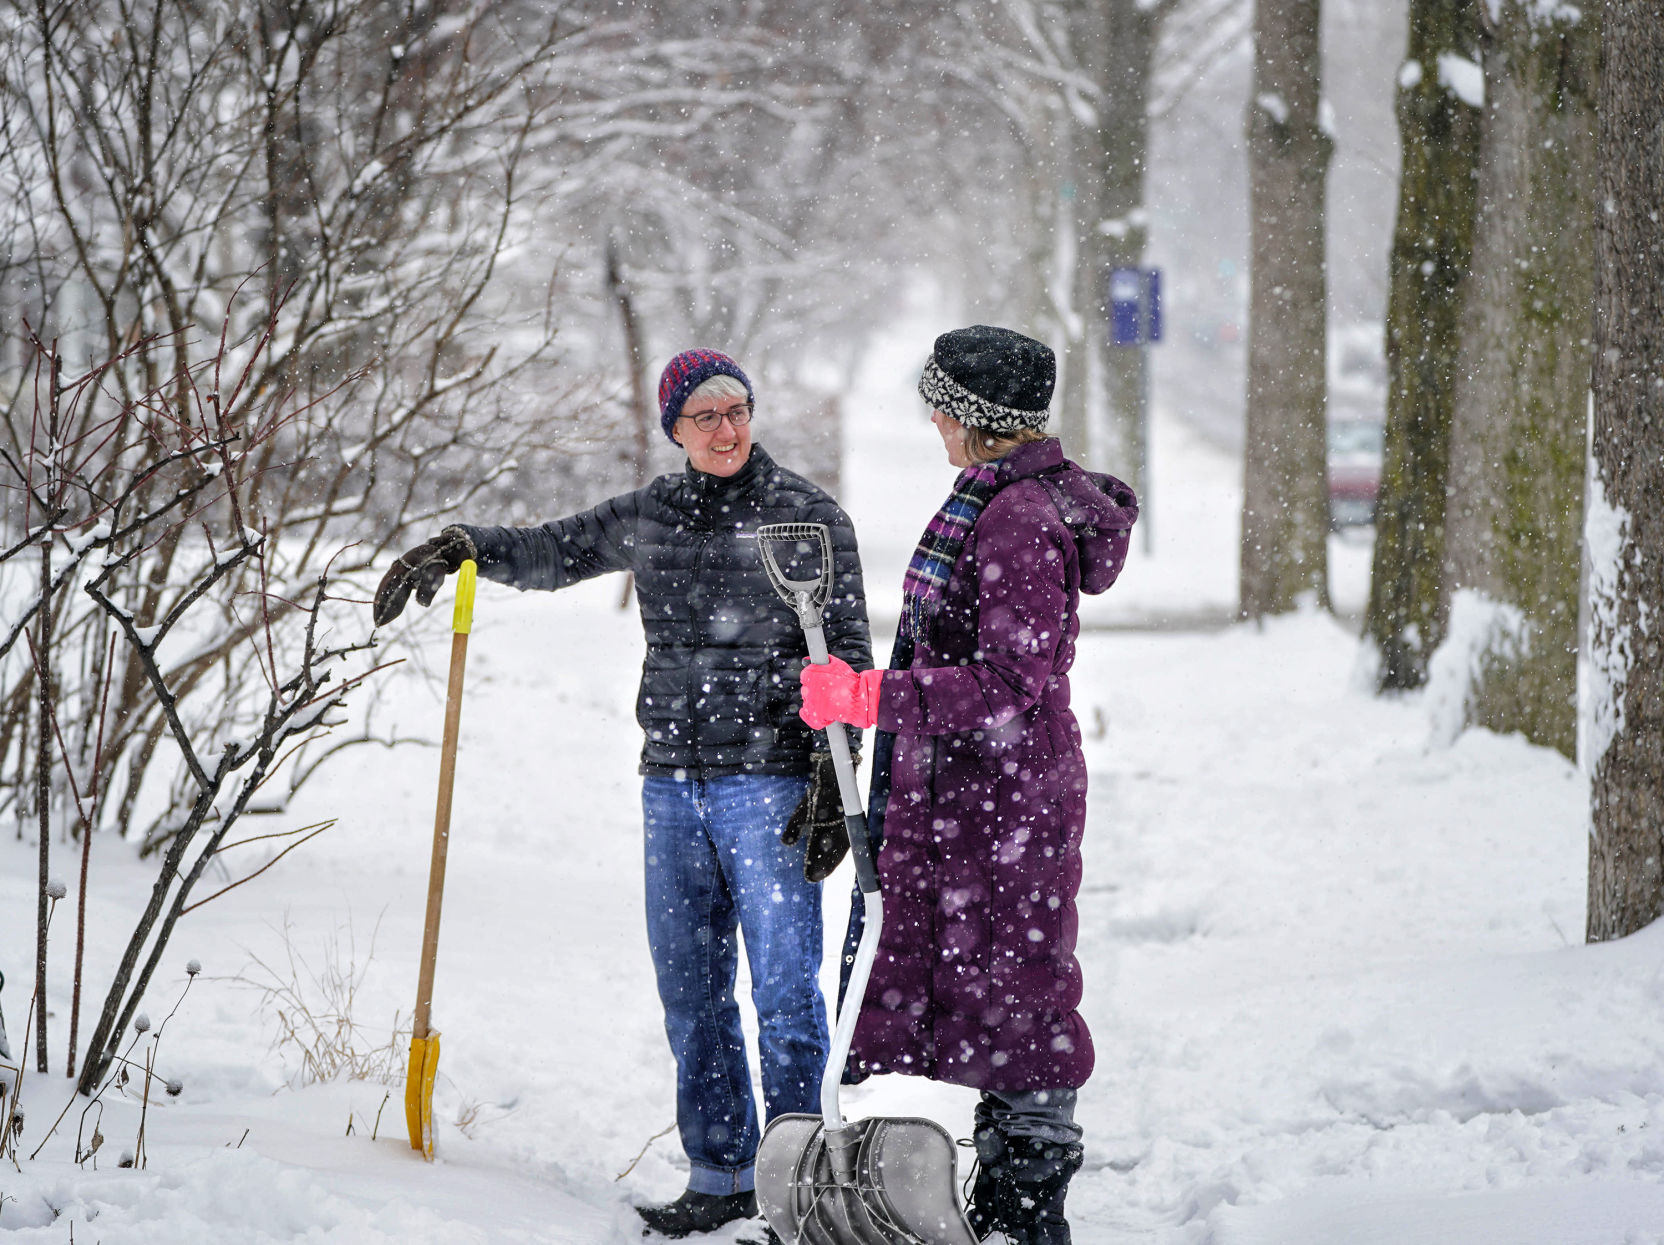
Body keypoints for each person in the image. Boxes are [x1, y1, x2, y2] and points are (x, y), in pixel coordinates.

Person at [374, 349, 872, 1239]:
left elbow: (847, 659)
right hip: (671, 787)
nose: (727, 429)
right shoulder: (653, 513)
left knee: (786, 992)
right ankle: (719, 1170)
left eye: (738, 411)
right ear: (674, 428)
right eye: (706, 416)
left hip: (769, 784)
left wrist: (838, 783)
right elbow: (553, 550)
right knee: (691, 984)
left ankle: (789, 1185)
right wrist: (469, 548)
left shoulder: (806, 517)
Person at [797, 325, 1137, 1245]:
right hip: (981, 796)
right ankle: (1006, 1202)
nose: (935, 422)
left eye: (942, 407)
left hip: (1006, 797)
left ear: (973, 418)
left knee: (1021, 994)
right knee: (999, 989)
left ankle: (1028, 1212)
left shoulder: (1017, 519)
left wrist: (868, 696)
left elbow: (1006, 682)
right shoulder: (995, 499)